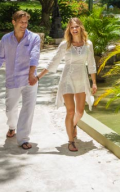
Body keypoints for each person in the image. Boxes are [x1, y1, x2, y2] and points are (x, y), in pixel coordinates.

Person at [36, 18, 97, 152]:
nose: (74, 29)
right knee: (70, 110)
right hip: (67, 79)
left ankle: (73, 125)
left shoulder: (88, 44)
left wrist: (94, 82)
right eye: (71, 27)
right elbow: (54, 62)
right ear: (68, 30)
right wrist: (38, 77)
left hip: (81, 78)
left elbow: (91, 64)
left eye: (76, 26)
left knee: (80, 112)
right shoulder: (65, 45)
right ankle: (71, 141)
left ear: (81, 27)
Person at [0, 10, 41, 150]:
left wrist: (32, 74)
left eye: (26, 22)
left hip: (29, 79)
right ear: (14, 22)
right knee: (10, 109)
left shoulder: (34, 38)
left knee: (28, 109)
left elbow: (34, 56)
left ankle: (23, 138)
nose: (24, 25)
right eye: (21, 22)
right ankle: (12, 127)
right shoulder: (6, 39)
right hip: (12, 80)